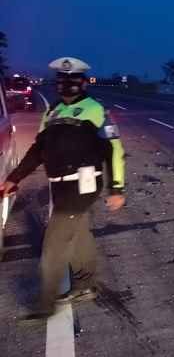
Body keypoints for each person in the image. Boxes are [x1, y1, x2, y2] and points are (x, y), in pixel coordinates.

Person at [0, 57, 126, 323]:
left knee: (53, 247)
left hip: (82, 184)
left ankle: (46, 306)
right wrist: (15, 177)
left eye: (72, 80)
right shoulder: (53, 112)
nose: (66, 85)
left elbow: (114, 150)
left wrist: (117, 187)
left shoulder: (96, 110)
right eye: (62, 80)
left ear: (82, 82)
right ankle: (86, 285)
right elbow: (38, 149)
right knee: (79, 235)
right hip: (59, 185)